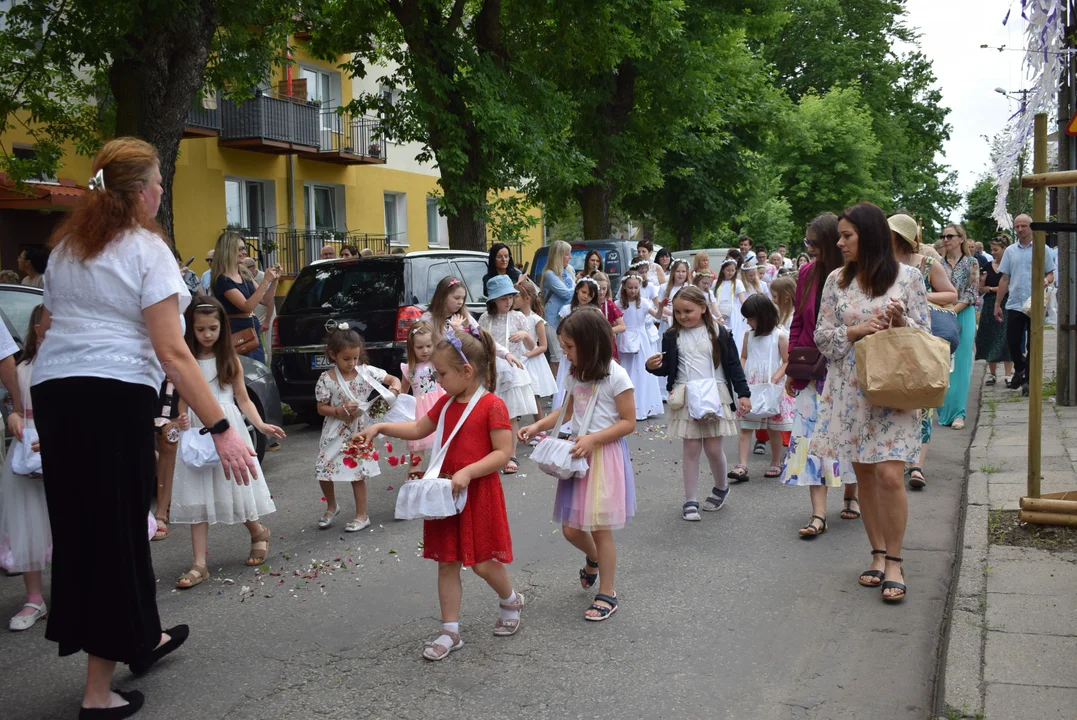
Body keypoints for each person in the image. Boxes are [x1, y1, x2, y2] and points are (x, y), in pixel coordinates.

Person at [32, 137, 256, 718]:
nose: (162, 191)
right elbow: (174, 353)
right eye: (159, 182)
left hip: (58, 395)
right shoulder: (145, 249)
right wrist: (223, 426)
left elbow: (54, 326)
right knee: (113, 531)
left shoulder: (66, 252)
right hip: (110, 397)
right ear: (139, 192)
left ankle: (143, 637)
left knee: (91, 526)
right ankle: (97, 693)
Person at [359, 326, 522, 660]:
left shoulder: (492, 405)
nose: (437, 379)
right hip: (444, 495)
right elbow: (419, 429)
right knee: (447, 562)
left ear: (467, 371)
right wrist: (380, 426)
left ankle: (510, 599)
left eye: (442, 373)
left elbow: (503, 453)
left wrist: (469, 470)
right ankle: (450, 630)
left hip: (477, 492)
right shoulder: (447, 403)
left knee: (482, 563)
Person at [810, 202, 930, 603]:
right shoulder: (835, 282)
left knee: (890, 476)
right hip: (849, 390)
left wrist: (900, 321)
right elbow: (822, 337)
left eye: (847, 236)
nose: (840, 243)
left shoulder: (909, 278)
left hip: (893, 389)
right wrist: (857, 330)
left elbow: (924, 333)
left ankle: (895, 560)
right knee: (863, 475)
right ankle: (877, 553)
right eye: (839, 236)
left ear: (871, 236)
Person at [519, 307, 637, 620]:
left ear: (590, 344)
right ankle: (594, 560)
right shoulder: (575, 374)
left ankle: (607, 592)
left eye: (570, 348)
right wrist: (537, 426)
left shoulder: (617, 375)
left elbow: (629, 422)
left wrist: (594, 440)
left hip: (603, 457)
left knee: (600, 529)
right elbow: (566, 412)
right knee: (572, 530)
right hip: (577, 455)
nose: (566, 354)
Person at [171, 299, 284, 589]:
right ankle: (199, 564)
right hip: (198, 432)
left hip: (228, 427)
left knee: (233, 487)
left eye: (213, 328)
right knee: (197, 494)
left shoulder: (229, 361)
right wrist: (182, 417)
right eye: (200, 329)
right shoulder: (187, 360)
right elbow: (182, 400)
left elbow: (243, 400)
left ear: (222, 328)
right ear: (190, 329)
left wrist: (260, 425)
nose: (207, 334)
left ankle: (258, 531)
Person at [780, 213, 857, 538]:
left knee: (848, 437)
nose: (809, 248)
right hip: (811, 372)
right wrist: (790, 364)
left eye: (813, 242)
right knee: (811, 440)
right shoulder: (807, 273)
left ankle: (851, 495)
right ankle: (818, 515)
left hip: (846, 372)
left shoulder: (853, 275)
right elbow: (798, 321)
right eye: (806, 242)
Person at [646, 286, 751, 521]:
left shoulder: (719, 332)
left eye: (688, 311)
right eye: (678, 312)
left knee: (714, 448)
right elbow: (667, 367)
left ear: (703, 308)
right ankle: (690, 499)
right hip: (686, 395)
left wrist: (743, 393)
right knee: (691, 449)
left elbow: (733, 364)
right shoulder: (671, 336)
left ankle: (721, 487)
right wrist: (652, 367)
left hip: (715, 392)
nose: (683, 316)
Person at [888, 213, 957, 490]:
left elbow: (952, 295)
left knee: (922, 398)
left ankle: (917, 464)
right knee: (897, 399)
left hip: (921, 340)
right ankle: (900, 454)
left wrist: (920, 296)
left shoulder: (928, 265)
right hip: (892, 342)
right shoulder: (883, 266)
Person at [315, 325, 400, 532]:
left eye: (355, 358)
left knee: (357, 473)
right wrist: (338, 410)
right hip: (334, 430)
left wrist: (395, 389)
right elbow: (320, 408)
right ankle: (332, 506)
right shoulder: (326, 379)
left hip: (359, 430)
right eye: (346, 359)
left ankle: (362, 515)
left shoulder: (366, 372)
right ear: (333, 355)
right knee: (323, 469)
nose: (351, 363)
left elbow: (393, 379)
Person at [0, 304, 51, 630]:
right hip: (27, 451)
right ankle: (34, 597)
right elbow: (17, 408)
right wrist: (15, 418)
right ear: (37, 328)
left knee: (71, 519)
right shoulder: (24, 367)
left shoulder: (71, 367)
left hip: (63, 446)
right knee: (28, 522)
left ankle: (79, 589)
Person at [728, 294, 795, 482]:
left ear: (763, 316)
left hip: (771, 386)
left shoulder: (779, 336)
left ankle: (775, 461)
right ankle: (742, 465)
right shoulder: (749, 335)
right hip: (751, 384)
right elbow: (744, 356)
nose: (748, 322)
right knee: (746, 426)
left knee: (773, 427)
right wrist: (739, 375)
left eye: (751, 318)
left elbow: (787, 361)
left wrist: (776, 377)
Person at [479, 276, 536, 474]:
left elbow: (532, 347)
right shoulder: (485, 318)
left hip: (512, 372)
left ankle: (511, 455)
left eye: (510, 297)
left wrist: (526, 335)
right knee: (488, 415)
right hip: (490, 372)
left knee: (510, 415)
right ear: (493, 300)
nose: (508, 302)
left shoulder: (518, 317)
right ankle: (492, 452)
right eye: (503, 298)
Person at [995, 214, 1054, 396]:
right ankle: (1020, 368)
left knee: (1033, 343)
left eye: (1024, 226)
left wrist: (1045, 280)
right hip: (1015, 303)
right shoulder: (1010, 251)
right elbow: (1005, 278)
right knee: (1012, 341)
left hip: (1034, 303)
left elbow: (1051, 273)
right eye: (1017, 226)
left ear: (1031, 227)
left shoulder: (1042, 249)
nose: (1020, 229)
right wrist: (998, 303)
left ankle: (1028, 379)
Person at [211, 231, 280, 364]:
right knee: (244, 372)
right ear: (228, 250)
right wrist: (265, 281)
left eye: (244, 248)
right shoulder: (222, 280)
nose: (244, 252)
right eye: (240, 249)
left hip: (252, 328)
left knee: (258, 369)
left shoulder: (243, 274)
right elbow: (247, 306)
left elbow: (265, 300)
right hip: (236, 330)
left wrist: (274, 281)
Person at [938, 224, 979, 429]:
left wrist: (953, 310)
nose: (946, 240)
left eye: (950, 236)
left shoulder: (972, 263)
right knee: (942, 363)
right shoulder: (938, 263)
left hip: (964, 314)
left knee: (961, 364)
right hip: (941, 315)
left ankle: (959, 413)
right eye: (943, 236)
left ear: (961, 239)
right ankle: (943, 408)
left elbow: (971, 294)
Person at [400, 321, 446, 478]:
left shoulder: (437, 362)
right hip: (420, 412)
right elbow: (403, 392)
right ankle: (414, 477)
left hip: (440, 406)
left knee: (443, 443)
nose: (425, 350)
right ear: (412, 348)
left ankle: (443, 475)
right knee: (418, 449)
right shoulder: (408, 368)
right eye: (419, 347)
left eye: (429, 345)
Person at [617, 272, 664, 419]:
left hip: (641, 338)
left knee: (642, 372)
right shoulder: (619, 304)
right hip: (625, 338)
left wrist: (661, 307)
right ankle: (626, 407)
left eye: (635, 288)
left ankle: (644, 406)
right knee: (627, 370)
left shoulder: (643, 302)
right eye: (630, 287)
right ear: (624, 287)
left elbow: (657, 316)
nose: (633, 290)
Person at [976, 237, 1014, 387]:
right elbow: (980, 290)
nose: (993, 252)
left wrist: (990, 289)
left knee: (1006, 337)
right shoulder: (986, 266)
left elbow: (1010, 287)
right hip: (990, 305)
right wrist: (982, 281)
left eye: (996, 249)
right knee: (990, 336)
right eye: (991, 249)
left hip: (1006, 303)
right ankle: (992, 374)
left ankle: (1008, 374)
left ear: (1005, 249)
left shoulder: (1010, 266)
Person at [540, 240, 576, 377]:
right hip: (553, 320)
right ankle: (557, 389)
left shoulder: (570, 270)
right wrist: (582, 287)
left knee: (570, 354)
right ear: (559, 256)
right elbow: (566, 293)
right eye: (567, 254)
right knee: (557, 356)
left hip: (568, 318)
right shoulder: (550, 274)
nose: (570, 257)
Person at [421, 275, 480, 345]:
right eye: (456, 298)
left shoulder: (465, 317)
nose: (461, 302)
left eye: (463, 298)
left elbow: (478, 338)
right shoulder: (428, 318)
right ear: (443, 297)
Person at [593, 271, 626, 360]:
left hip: (607, 342)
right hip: (592, 342)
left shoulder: (610, 305)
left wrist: (607, 331)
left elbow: (622, 326)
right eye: (598, 288)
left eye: (604, 289)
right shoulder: (589, 305)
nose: (601, 292)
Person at [657, 259, 691, 335]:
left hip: (684, 322)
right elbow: (658, 305)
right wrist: (666, 316)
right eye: (678, 271)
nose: (681, 274)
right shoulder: (664, 288)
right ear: (673, 272)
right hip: (667, 324)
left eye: (683, 271)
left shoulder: (690, 288)